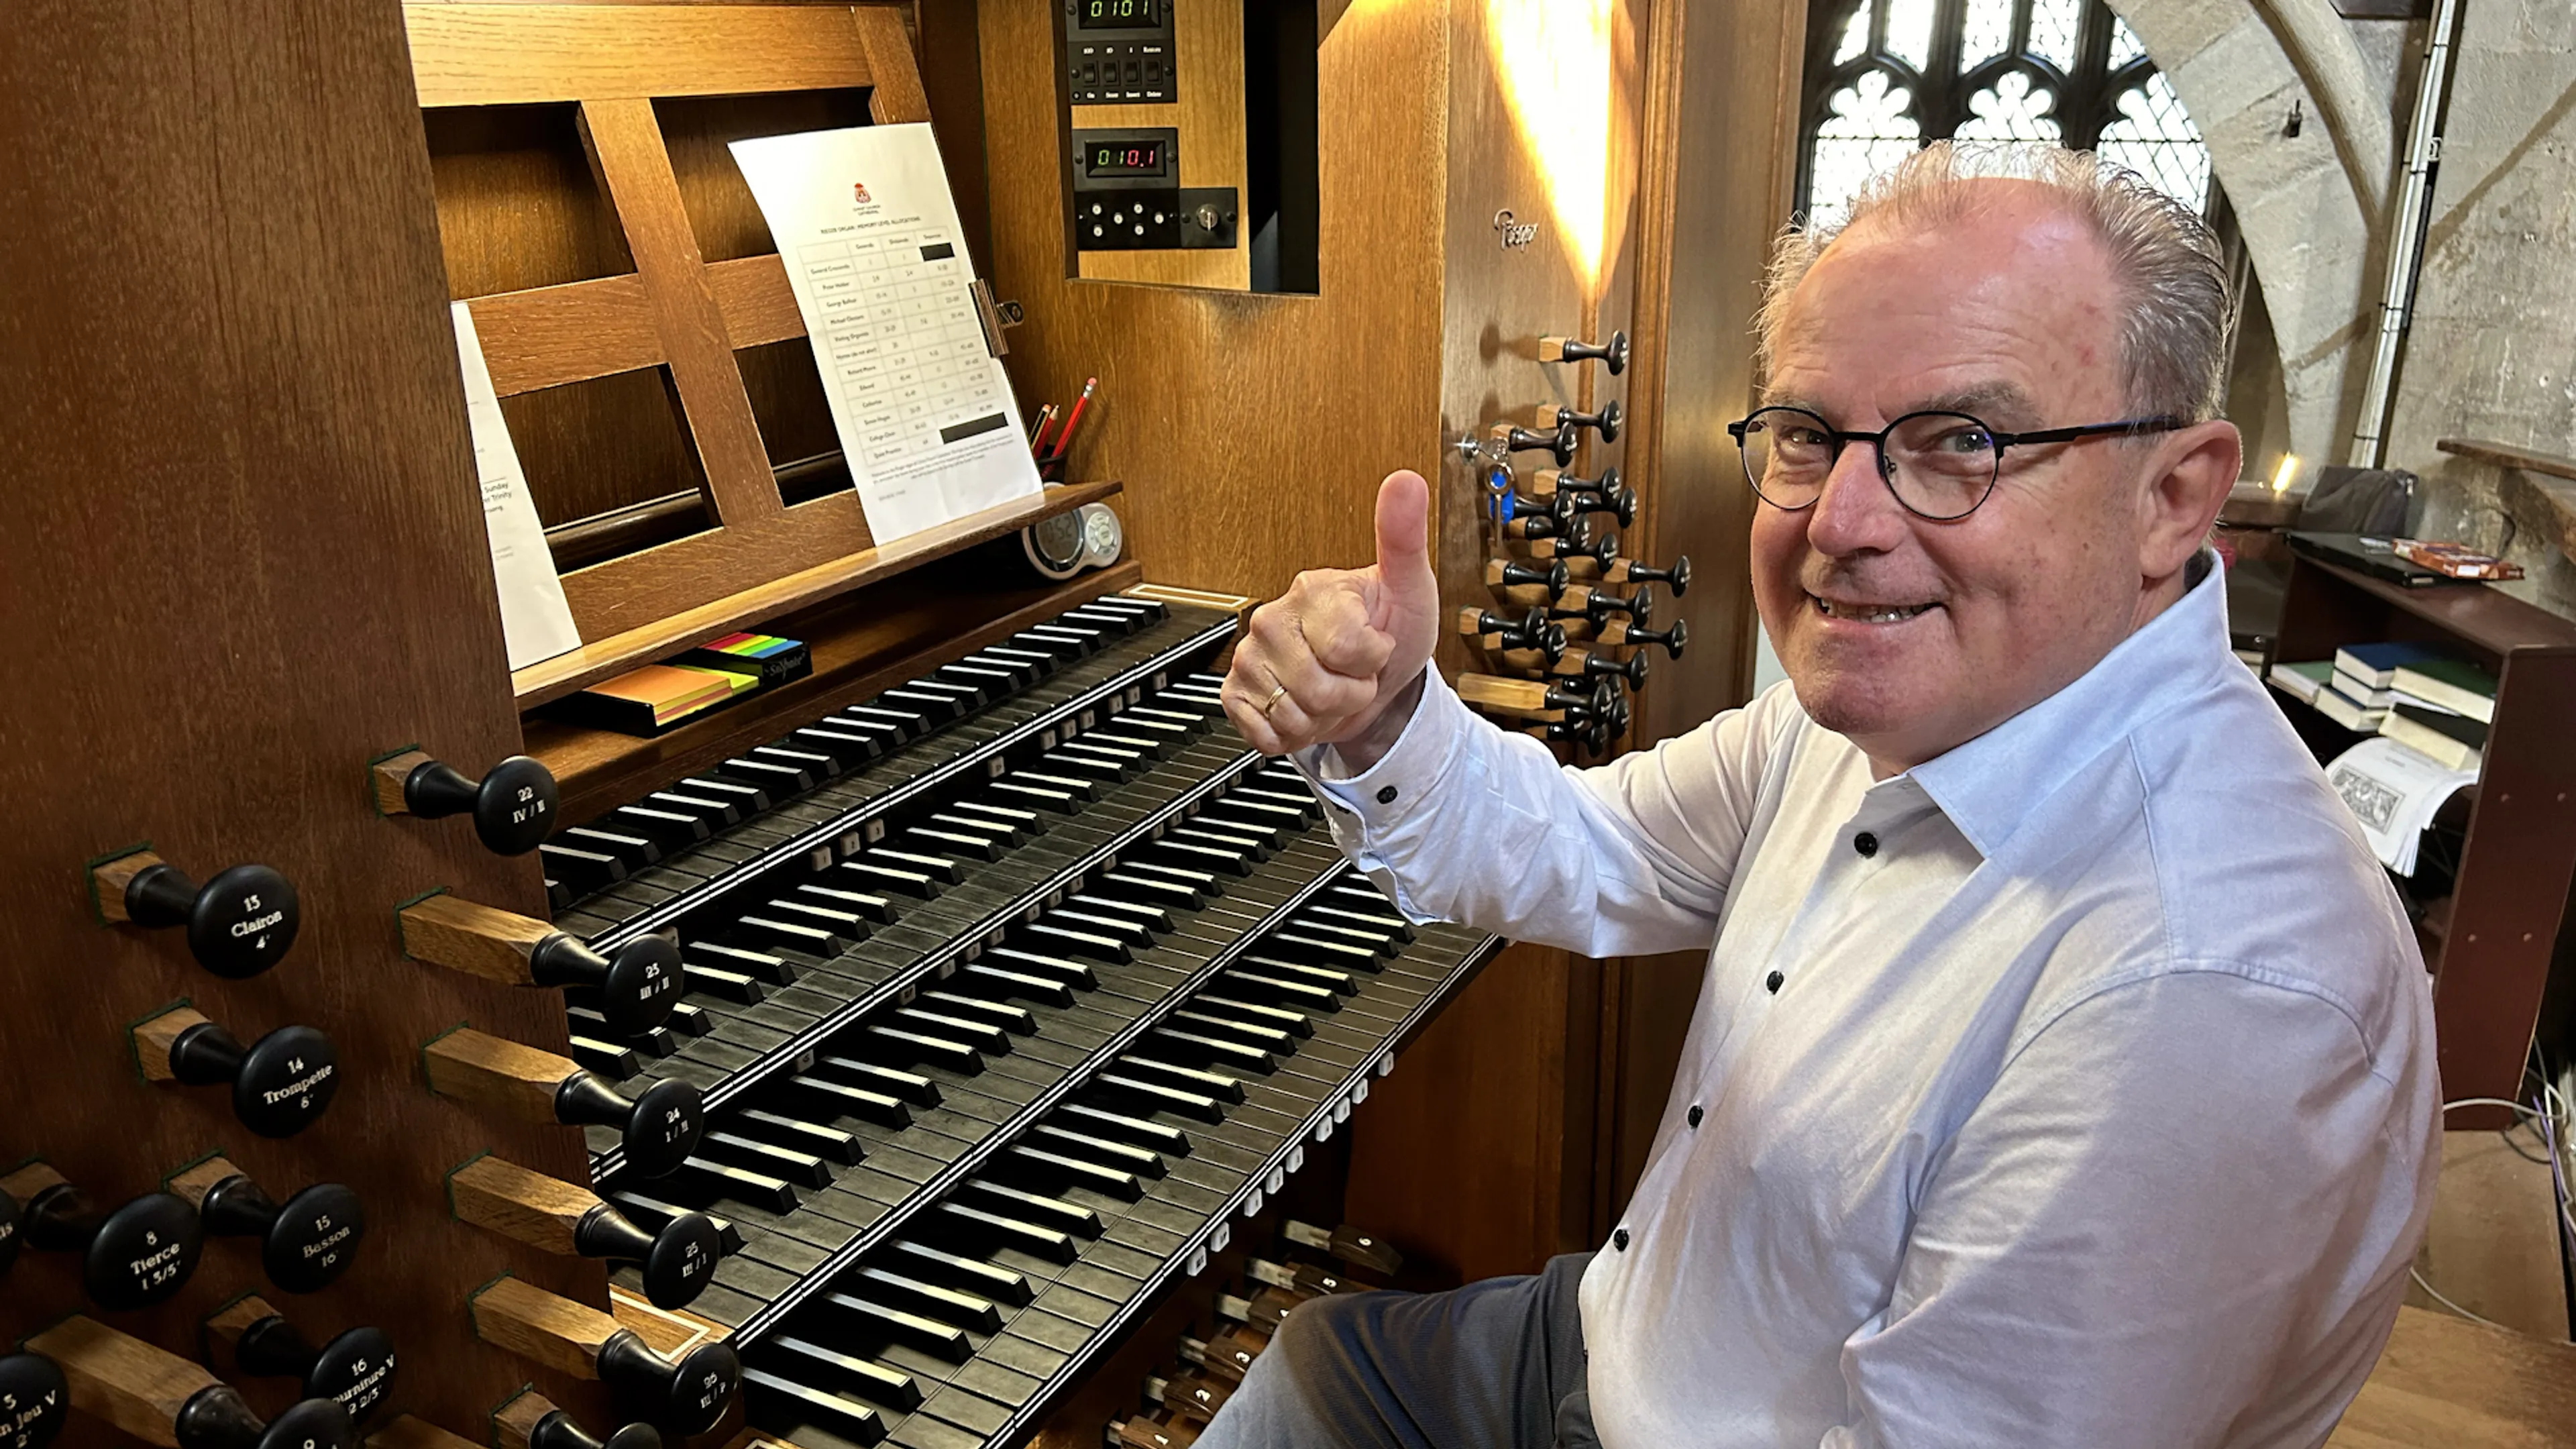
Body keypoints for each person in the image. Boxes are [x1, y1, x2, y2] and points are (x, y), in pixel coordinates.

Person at [1201, 142, 2439, 1449]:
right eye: (1807, 435)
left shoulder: (2204, 995)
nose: (1843, 522)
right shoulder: (1870, 714)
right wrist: (1388, 712)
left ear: (2173, 496)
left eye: (1961, 440)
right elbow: (1576, 848)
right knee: (1301, 1376)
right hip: (1632, 1337)